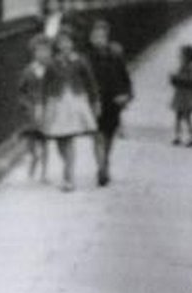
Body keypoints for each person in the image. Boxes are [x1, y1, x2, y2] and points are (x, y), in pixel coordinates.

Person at [42, 26, 98, 191]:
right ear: (57, 45)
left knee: (70, 138)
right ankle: (67, 166)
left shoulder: (80, 61)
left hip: (74, 102)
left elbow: (90, 82)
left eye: (68, 42)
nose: (65, 45)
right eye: (61, 42)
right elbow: (45, 85)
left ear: (73, 44)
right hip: (57, 103)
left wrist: (95, 101)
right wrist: (44, 105)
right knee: (60, 140)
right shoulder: (52, 63)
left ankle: (69, 177)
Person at [86, 19, 132, 186]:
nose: (99, 39)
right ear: (91, 38)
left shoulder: (116, 56)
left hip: (112, 101)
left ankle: (105, 160)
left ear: (107, 38)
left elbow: (125, 78)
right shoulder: (87, 58)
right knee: (97, 135)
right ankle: (101, 168)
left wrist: (126, 95)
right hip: (95, 102)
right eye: (95, 36)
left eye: (102, 36)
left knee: (109, 136)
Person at [18, 33, 52, 182]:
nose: (42, 54)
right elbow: (21, 90)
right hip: (31, 111)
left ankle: (44, 173)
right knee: (31, 141)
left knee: (45, 141)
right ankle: (33, 157)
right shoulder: (28, 70)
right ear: (33, 53)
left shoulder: (52, 69)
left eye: (46, 50)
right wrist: (26, 104)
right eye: (39, 50)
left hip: (47, 109)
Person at [169, 44, 192, 147]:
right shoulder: (182, 67)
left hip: (187, 97)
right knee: (178, 116)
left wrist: (177, 78)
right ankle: (177, 136)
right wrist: (173, 79)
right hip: (181, 95)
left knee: (187, 117)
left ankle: (191, 137)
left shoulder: (191, 68)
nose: (180, 57)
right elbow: (179, 81)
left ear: (188, 57)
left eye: (182, 55)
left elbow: (190, 81)